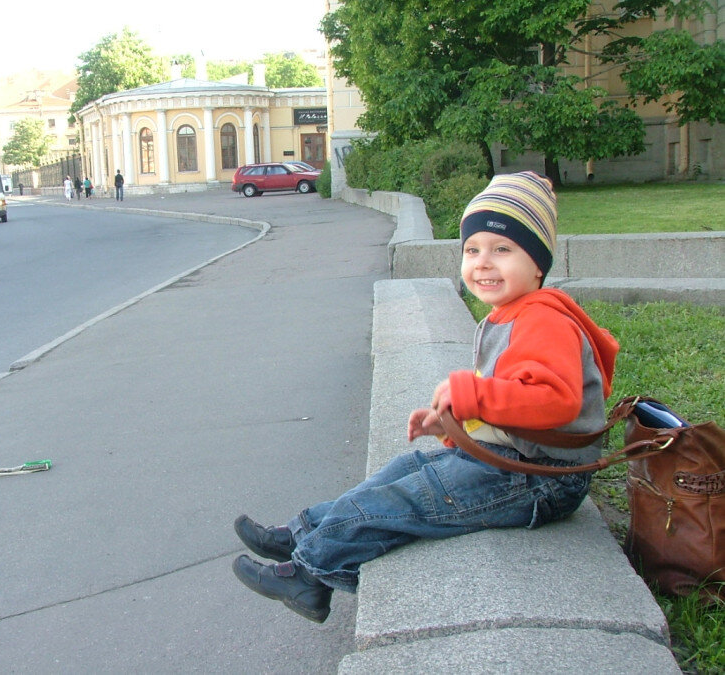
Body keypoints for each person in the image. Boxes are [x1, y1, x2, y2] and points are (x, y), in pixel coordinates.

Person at [231, 171, 619, 623]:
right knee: (400, 472)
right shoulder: (512, 314)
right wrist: (453, 421)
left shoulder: (543, 321)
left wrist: (469, 392)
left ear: (538, 264)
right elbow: (511, 403)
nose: (483, 263)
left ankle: (308, 574)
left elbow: (554, 401)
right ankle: (303, 533)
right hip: (515, 461)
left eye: (503, 249)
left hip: (542, 480)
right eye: (472, 250)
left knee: (408, 499)